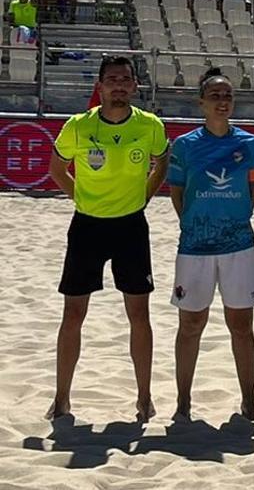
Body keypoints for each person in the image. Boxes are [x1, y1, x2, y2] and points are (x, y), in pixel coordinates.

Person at [46, 55, 169, 421]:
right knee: (73, 314)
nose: (119, 85)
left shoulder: (149, 126)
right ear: (100, 86)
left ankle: (144, 398)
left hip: (131, 227)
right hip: (87, 227)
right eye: (112, 79)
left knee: (139, 314)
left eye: (125, 79)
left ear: (134, 86)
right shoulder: (78, 127)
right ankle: (61, 397)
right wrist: (81, 198)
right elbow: (56, 169)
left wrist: (145, 195)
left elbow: (161, 162)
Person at [168, 68, 254, 421]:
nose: (222, 102)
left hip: (239, 245)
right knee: (190, 325)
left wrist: (233, 218)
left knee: (241, 325)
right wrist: (195, 222)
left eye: (228, 96)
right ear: (201, 103)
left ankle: (249, 400)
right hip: (194, 247)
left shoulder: (249, 144)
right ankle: (183, 401)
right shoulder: (185, 145)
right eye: (215, 96)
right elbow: (177, 192)